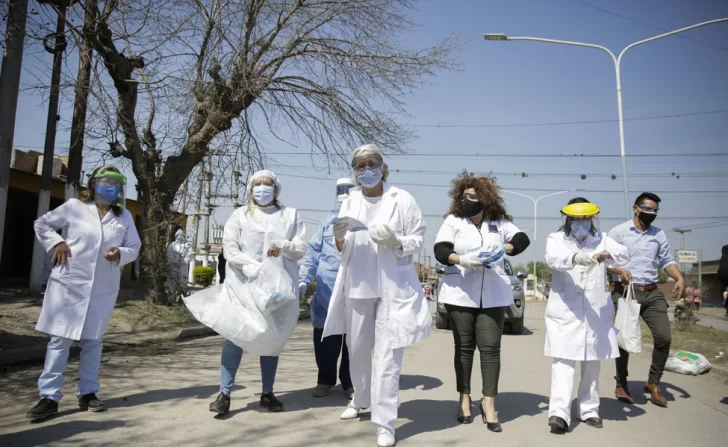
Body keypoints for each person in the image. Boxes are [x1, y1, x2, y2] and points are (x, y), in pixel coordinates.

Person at [322, 144, 431, 447]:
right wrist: (339, 237)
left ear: (383, 167)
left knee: (387, 357)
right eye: (360, 165)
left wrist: (397, 241)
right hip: (358, 284)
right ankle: (360, 398)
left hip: (392, 287)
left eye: (372, 164)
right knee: (356, 350)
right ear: (355, 172)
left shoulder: (402, 198)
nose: (367, 170)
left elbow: (419, 237)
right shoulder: (350, 201)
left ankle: (385, 422)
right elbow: (340, 245)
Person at [26, 166, 141, 420]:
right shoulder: (75, 207)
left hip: (102, 288)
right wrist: (57, 242)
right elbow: (42, 223)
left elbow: (134, 247)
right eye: (105, 182)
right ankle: (49, 397)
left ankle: (88, 393)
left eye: (115, 183)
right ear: (93, 185)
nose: (109, 186)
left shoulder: (124, 217)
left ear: (120, 189)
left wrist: (120, 253)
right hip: (69, 285)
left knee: (93, 342)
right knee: (59, 341)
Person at [433, 172, 530, 432]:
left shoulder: (499, 222)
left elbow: (522, 240)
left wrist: (504, 249)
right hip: (460, 292)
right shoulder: (453, 220)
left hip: (494, 295)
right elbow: (440, 250)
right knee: (464, 348)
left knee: (490, 348)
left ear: (485, 199)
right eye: (464, 196)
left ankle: (488, 402)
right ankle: (464, 398)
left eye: (473, 197)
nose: (468, 201)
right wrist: (461, 259)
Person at [205, 170, 306, 416]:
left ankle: (267, 392)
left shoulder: (289, 216)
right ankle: (224, 393)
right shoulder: (240, 215)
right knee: (235, 337)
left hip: (275, 289)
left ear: (277, 190)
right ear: (251, 190)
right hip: (243, 286)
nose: (262, 188)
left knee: (271, 339)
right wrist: (250, 266)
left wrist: (284, 246)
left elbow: (301, 248)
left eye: (267, 184)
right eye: (257, 184)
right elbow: (230, 247)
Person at [544, 199, 629, 433]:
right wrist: (575, 258)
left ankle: (589, 410)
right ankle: (558, 414)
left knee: (592, 362)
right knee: (563, 362)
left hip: (595, 311)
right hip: (565, 311)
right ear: (567, 218)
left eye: (585, 219)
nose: (581, 223)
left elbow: (623, 255)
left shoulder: (601, 239)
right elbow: (553, 259)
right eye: (576, 219)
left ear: (592, 218)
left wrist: (605, 255)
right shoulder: (556, 239)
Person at [607, 192, 684, 407]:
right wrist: (618, 270)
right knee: (623, 340)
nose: (651, 213)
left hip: (652, 292)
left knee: (664, 338)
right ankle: (621, 384)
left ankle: (653, 383)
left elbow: (666, 259)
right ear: (636, 208)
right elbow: (604, 260)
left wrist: (678, 277)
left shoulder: (658, 234)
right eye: (647, 209)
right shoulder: (618, 232)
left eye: (655, 210)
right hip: (625, 292)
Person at [299, 178, 355, 399]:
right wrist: (304, 280)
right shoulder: (327, 221)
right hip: (326, 292)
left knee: (353, 340)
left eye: (348, 191)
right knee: (324, 339)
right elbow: (313, 253)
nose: (344, 195)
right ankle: (325, 379)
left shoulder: (364, 221)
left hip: (354, 289)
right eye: (340, 191)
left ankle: (349, 382)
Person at [166, 227, 193, 296]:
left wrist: (183, 262)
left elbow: (190, 255)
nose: (180, 236)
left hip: (183, 267)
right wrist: (174, 262)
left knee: (182, 282)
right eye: (178, 235)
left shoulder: (187, 246)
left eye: (182, 235)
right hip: (173, 267)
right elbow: (169, 255)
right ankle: (171, 296)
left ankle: (181, 297)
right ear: (176, 236)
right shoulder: (171, 245)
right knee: (172, 282)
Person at [718, 245, 728, 316]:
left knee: (724, 290)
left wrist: (718, 278)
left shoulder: (723, 259)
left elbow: (719, 271)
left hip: (723, 274)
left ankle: (725, 305)